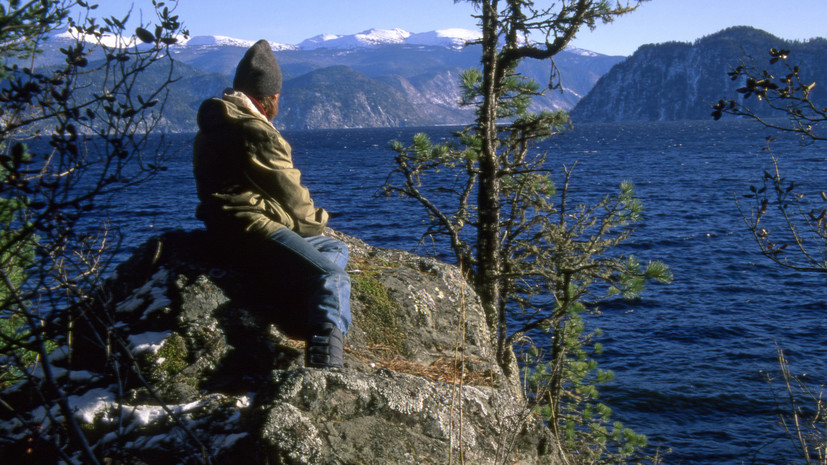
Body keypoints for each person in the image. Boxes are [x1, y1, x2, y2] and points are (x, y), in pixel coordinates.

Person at [192, 39, 350, 368]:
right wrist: (319, 219)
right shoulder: (257, 132)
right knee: (333, 276)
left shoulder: (214, 126)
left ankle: (295, 302)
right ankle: (326, 366)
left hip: (220, 227)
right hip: (251, 229)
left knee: (335, 249)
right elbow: (295, 203)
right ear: (272, 96)